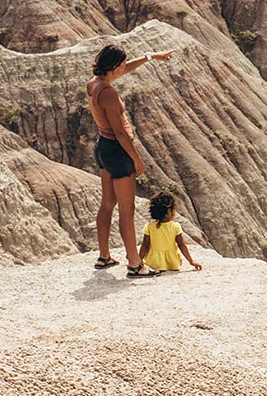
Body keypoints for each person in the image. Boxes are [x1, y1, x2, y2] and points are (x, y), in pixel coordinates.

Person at [87, 44, 174, 278]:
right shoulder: (110, 94)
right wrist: (136, 159)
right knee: (127, 209)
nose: (124, 68)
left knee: (107, 204)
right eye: (121, 65)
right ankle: (135, 264)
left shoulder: (94, 84)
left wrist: (151, 56)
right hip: (117, 151)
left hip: (102, 148)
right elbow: (120, 132)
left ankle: (104, 256)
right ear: (113, 66)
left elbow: (124, 70)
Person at [139, 192, 203, 272]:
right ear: (169, 211)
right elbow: (182, 245)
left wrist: (138, 261)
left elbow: (145, 245)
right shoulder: (175, 226)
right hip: (172, 263)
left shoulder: (149, 226)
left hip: (153, 263)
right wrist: (191, 261)